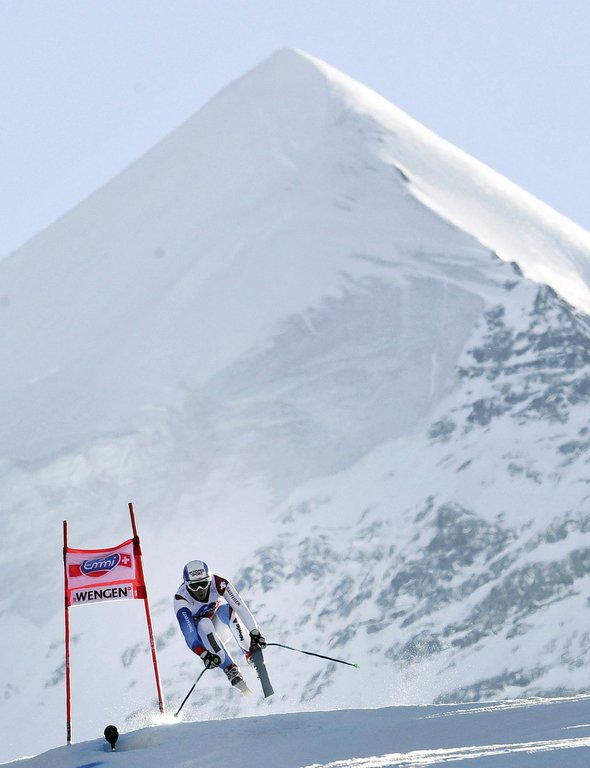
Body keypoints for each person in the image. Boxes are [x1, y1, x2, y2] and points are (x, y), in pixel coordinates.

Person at [174, 559, 266, 694]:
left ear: (209, 580)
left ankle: (251, 654)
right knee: (203, 623)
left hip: (220, 627)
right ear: (187, 585)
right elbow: (189, 635)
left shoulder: (218, 583)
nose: (200, 590)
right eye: (194, 586)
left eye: (203, 584)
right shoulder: (181, 600)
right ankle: (230, 670)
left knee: (226, 609)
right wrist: (203, 654)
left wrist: (255, 632)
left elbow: (240, 608)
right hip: (205, 640)